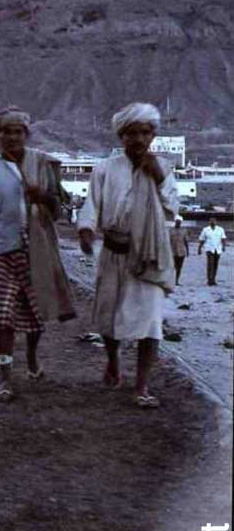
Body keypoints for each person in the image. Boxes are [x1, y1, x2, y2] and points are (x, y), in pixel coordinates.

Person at [0, 106, 76, 400]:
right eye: (6, 131)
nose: (12, 137)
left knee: (35, 316)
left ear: (26, 134)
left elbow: (59, 210)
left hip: (37, 251)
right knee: (3, 315)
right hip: (1, 250)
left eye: (18, 131)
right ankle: (5, 378)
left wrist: (42, 196)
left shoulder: (42, 164)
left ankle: (31, 357)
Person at [77, 102, 179, 408]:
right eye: (131, 133)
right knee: (108, 317)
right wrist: (86, 230)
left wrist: (158, 176)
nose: (138, 139)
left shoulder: (163, 168)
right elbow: (92, 204)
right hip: (113, 252)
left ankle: (142, 386)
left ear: (153, 136)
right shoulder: (105, 169)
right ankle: (113, 360)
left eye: (145, 133)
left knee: (151, 322)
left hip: (149, 254)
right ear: (121, 136)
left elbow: (173, 209)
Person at [198, 215, 227, 286]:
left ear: (216, 221)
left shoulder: (220, 229)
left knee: (215, 265)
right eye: (211, 220)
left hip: (218, 249)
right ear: (209, 221)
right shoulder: (205, 230)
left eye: (213, 220)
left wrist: (224, 246)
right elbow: (202, 239)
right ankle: (209, 280)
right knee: (210, 265)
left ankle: (213, 279)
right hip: (209, 249)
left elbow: (223, 238)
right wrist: (199, 248)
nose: (212, 222)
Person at [170, 217, 189, 284]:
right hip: (172, 251)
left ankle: (176, 280)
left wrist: (187, 251)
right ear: (175, 222)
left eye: (179, 222)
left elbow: (186, 241)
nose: (178, 223)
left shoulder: (184, 231)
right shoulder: (171, 230)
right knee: (172, 267)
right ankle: (171, 280)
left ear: (181, 223)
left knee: (179, 267)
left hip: (181, 251)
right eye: (177, 222)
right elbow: (168, 241)